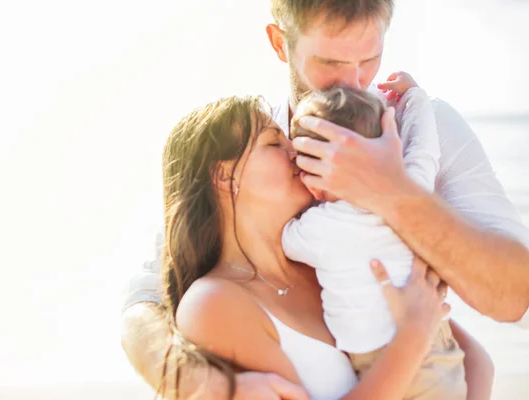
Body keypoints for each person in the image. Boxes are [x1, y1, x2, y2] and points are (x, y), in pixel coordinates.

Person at [122, 0, 528, 397]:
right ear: (280, 43)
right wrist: (195, 381)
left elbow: (513, 297)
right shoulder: (260, 141)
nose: (354, 83)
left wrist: (394, 192)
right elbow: (154, 290)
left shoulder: (421, 129)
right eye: (331, 64)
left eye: (370, 59)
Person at [158, 95, 481, 400]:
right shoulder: (212, 304)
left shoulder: (325, 257)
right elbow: (423, 326)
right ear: (224, 176)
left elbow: (475, 360)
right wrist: (412, 336)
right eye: (274, 142)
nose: (297, 150)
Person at [284, 78, 466, 399]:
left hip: (379, 359)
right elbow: (424, 151)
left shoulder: (320, 227)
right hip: (438, 344)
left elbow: (285, 239)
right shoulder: (410, 190)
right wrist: (415, 98)